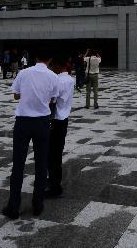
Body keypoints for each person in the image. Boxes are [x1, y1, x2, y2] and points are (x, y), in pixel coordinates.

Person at [2, 52, 59, 220]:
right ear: (50, 59)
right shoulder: (53, 76)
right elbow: (53, 99)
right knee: (41, 164)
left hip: (23, 122)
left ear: (35, 57)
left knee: (18, 164)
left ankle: (13, 206)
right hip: (42, 123)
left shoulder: (24, 72)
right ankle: (37, 205)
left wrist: (27, 94)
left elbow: (16, 95)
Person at [47, 56, 75, 198]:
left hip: (55, 120)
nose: (51, 69)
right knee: (56, 153)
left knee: (52, 154)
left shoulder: (58, 80)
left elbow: (52, 99)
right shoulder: (70, 79)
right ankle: (52, 180)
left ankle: (55, 186)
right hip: (63, 119)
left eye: (53, 66)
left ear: (58, 66)